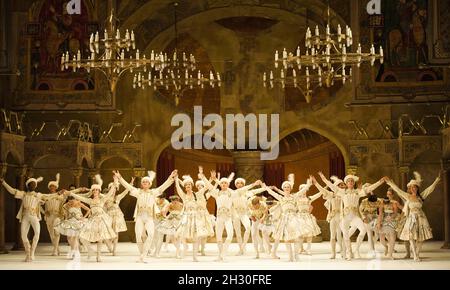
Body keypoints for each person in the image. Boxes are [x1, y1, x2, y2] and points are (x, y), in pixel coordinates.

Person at [114, 169, 177, 262]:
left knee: (151, 235)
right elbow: (128, 186)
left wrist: (170, 177)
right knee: (138, 236)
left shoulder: (153, 192)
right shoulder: (138, 192)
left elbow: (163, 187)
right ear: (142, 184)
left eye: (147, 182)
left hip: (149, 217)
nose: (145, 183)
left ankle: (144, 255)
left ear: (150, 184)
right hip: (140, 216)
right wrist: (120, 177)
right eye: (143, 182)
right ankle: (142, 254)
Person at [385, 172, 441, 261]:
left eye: (415, 187)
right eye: (412, 187)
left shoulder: (421, 197)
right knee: (411, 237)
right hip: (411, 218)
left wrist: (436, 180)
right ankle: (414, 255)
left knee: (421, 238)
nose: (414, 188)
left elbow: (429, 189)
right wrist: (390, 183)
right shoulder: (408, 196)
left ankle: (417, 254)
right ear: (410, 189)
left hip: (421, 218)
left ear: (417, 188)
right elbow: (398, 190)